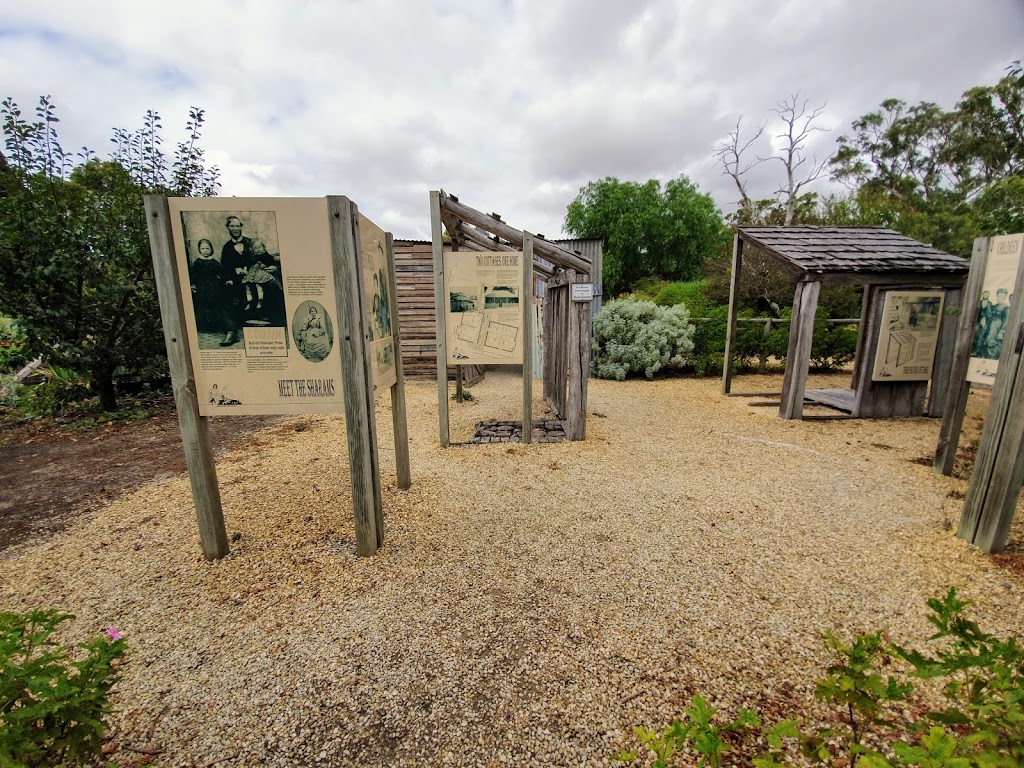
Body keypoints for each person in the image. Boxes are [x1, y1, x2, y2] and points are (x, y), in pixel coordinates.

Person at [219, 216, 254, 346]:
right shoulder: (227, 247)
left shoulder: (250, 243)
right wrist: (235, 270)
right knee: (224, 294)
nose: (235, 228)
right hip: (236, 280)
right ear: (228, 228)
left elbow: (258, 258)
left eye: (237, 226)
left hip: (253, 277)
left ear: (241, 226)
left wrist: (247, 268)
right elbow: (225, 266)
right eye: (232, 226)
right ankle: (232, 332)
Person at [188, 239, 228, 334]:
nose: (205, 250)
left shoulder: (214, 262)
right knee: (202, 305)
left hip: (213, 286)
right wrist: (193, 285)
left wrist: (225, 279)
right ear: (199, 250)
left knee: (214, 305)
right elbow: (192, 274)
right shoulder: (198, 262)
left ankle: (215, 326)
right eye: (203, 248)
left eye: (207, 248)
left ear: (211, 250)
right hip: (201, 286)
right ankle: (203, 326)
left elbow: (222, 272)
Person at [241, 240, 282, 311]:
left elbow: (270, 262)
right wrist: (245, 269)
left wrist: (265, 264)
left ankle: (260, 299)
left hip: (262, 273)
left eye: (259, 247)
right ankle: (249, 299)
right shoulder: (252, 257)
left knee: (259, 284)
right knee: (247, 283)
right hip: (253, 273)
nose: (258, 249)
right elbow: (248, 264)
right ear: (252, 250)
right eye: (255, 248)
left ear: (264, 248)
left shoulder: (266, 255)